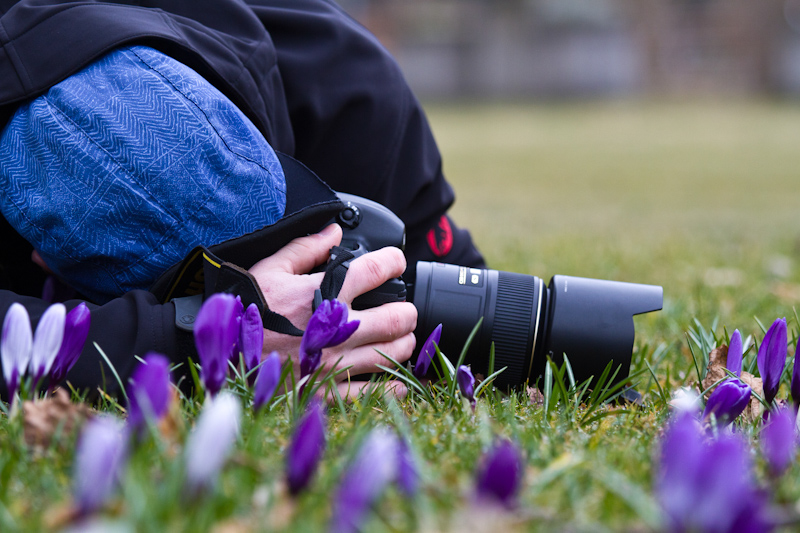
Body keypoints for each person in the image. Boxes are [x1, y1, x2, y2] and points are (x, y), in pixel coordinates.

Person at [0, 0, 485, 400]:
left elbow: (467, 290)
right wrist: (206, 343)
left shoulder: (344, 88)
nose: (280, 284)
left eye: (274, 240)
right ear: (41, 257)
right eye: (190, 287)